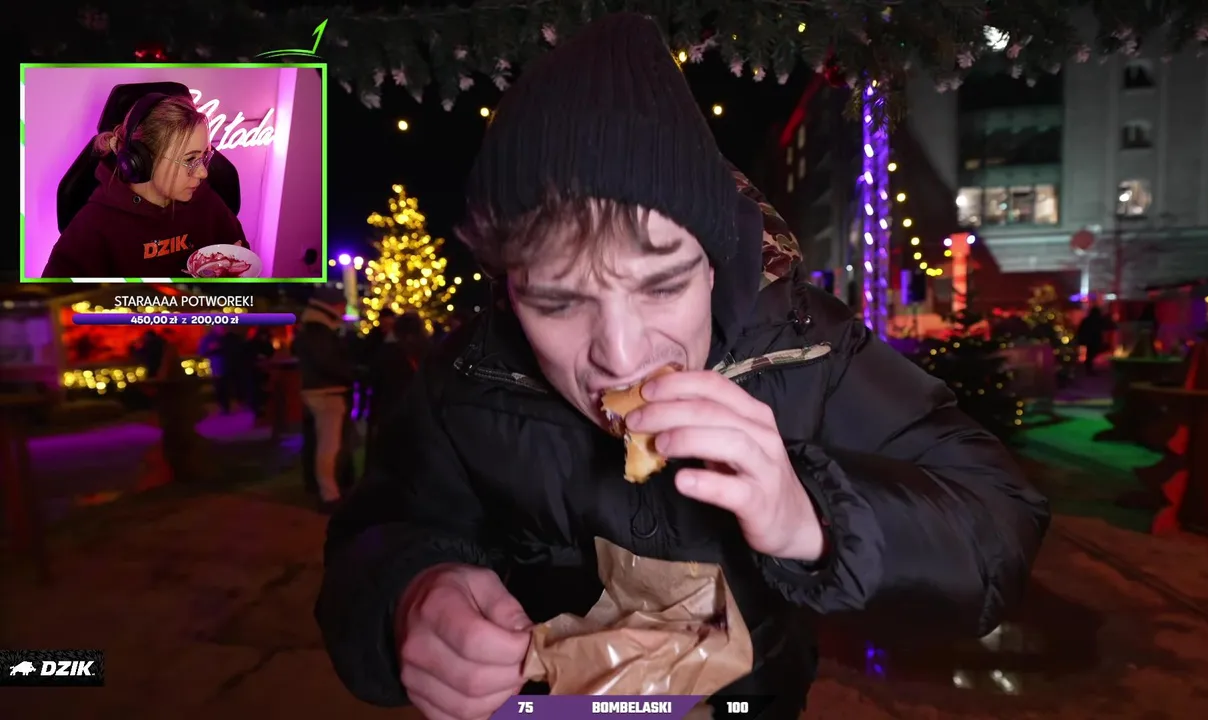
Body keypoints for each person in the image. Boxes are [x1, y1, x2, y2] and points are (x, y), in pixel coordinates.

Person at [316, 13, 1049, 720]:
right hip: (547, 710)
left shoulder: (809, 345)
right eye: (558, 303)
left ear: (714, 263)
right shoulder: (463, 378)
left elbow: (998, 528)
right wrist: (409, 595)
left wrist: (815, 520)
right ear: (509, 291)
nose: (620, 355)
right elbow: (377, 535)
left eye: (663, 286)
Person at [42, 92, 248, 278]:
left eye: (204, 156)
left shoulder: (207, 203)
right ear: (142, 160)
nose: (203, 172)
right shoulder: (93, 227)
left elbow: (240, 255)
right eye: (190, 159)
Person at [293, 288, 356, 511]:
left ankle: (323, 488)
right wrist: (354, 373)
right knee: (329, 446)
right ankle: (329, 494)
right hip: (327, 392)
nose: (344, 308)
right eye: (341, 304)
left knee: (321, 443)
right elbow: (327, 362)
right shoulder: (319, 330)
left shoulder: (314, 328)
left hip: (321, 390)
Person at [367, 312, 430, 443]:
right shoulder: (428, 351)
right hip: (420, 412)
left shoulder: (389, 351)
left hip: (391, 410)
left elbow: (375, 380)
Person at [1075, 306, 1110, 374]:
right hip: (1094, 340)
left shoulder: (1087, 320)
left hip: (1089, 339)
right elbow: (1105, 327)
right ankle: (1089, 368)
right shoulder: (1098, 320)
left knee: (1090, 353)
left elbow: (1081, 330)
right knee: (1091, 353)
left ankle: (1088, 367)